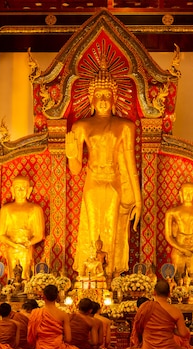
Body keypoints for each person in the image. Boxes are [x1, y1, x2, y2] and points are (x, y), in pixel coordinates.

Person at [65, 61, 142, 277]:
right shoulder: (81, 126)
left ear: (115, 98)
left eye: (107, 95)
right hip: (92, 183)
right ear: (90, 98)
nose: (103, 100)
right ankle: (90, 273)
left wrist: (138, 199)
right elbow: (75, 169)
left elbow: (130, 163)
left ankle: (111, 274)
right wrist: (71, 155)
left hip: (115, 182)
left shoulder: (125, 126)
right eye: (98, 95)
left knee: (113, 228)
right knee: (92, 230)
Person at [124, 280, 193, 349]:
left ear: (154, 292)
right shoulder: (175, 311)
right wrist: (170, 329)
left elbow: (138, 328)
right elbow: (183, 333)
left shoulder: (145, 307)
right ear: (169, 294)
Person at [0, 176, 46, 281]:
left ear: (29, 190)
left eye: (23, 187)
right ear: (12, 190)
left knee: (24, 276)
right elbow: (1, 234)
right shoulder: (6, 209)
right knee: (12, 277)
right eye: (17, 187)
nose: (20, 190)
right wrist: (14, 244)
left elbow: (39, 235)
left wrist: (27, 244)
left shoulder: (35, 209)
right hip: (11, 248)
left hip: (26, 248)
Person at [164, 182, 193, 284]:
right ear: (180, 194)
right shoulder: (172, 212)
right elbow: (168, 236)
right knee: (177, 275)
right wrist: (181, 248)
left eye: (191, 192)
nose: (188, 195)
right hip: (178, 245)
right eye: (185, 192)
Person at [27, 284, 85, 349]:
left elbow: (30, 339)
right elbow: (68, 338)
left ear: (43, 296)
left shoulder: (36, 312)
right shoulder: (63, 315)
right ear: (57, 296)